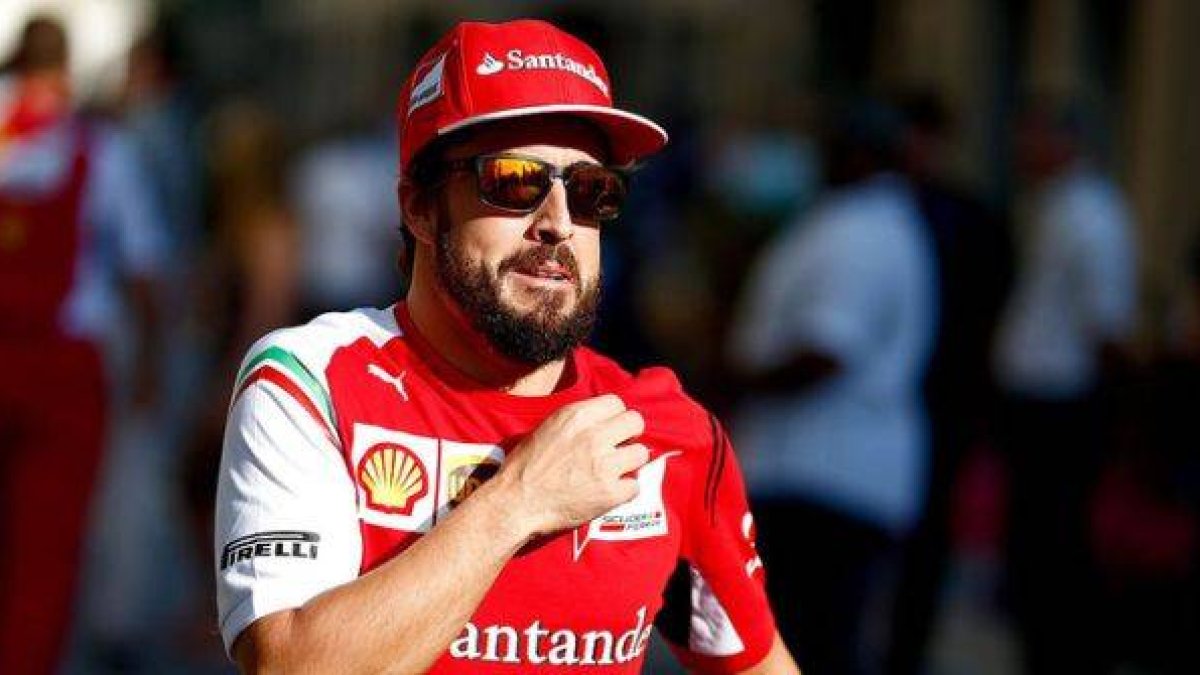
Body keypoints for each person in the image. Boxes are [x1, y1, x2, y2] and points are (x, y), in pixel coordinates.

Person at [214, 19, 798, 674]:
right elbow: (291, 666)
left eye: (591, 191)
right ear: (420, 208)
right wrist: (518, 500)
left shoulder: (665, 433)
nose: (557, 223)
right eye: (515, 180)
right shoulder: (311, 380)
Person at [728, 99, 938, 674]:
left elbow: (825, 352)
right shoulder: (859, 221)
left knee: (807, 643)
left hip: (826, 477)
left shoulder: (863, 233)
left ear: (859, 155)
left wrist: (732, 381)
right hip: (817, 470)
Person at [0, 15, 164, 674]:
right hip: (63, 369)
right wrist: (151, 362)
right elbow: (147, 270)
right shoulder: (101, 148)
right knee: (45, 547)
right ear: (66, 70)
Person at [991, 99, 1138, 674]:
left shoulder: (1092, 216)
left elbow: (1107, 326)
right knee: (1033, 545)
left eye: (1035, 137)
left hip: (1062, 407)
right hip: (1036, 402)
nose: (1024, 151)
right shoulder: (1052, 208)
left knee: (1055, 545)